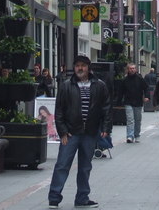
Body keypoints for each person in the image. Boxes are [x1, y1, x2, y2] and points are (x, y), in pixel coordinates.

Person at [48, 55, 111, 209]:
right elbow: (59, 111)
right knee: (62, 165)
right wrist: (62, 131)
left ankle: (82, 198)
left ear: (89, 68)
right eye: (77, 66)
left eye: (83, 65)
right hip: (70, 133)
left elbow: (106, 108)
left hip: (89, 133)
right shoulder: (66, 85)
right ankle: (54, 198)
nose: (80, 68)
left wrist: (105, 128)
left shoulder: (99, 85)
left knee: (85, 167)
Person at [118, 62, 149, 143]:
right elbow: (120, 91)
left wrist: (146, 96)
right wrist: (119, 101)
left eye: (133, 68)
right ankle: (130, 136)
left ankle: (137, 135)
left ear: (136, 69)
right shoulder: (124, 80)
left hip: (138, 102)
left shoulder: (140, 79)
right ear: (128, 69)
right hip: (128, 102)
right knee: (130, 120)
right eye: (130, 68)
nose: (132, 70)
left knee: (137, 120)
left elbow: (146, 88)